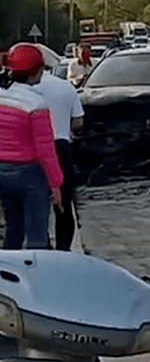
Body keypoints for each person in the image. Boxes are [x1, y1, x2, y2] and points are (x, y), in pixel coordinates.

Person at [0, 44, 63, 249]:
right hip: (29, 173)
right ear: (36, 71)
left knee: (13, 229)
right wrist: (56, 184)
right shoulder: (36, 103)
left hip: (2, 171)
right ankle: (37, 277)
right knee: (37, 235)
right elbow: (45, 149)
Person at [34, 68, 84, 250]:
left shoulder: (19, 91)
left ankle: (41, 244)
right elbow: (78, 122)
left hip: (31, 149)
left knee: (35, 200)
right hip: (60, 147)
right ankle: (63, 248)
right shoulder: (65, 87)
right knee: (63, 201)